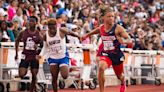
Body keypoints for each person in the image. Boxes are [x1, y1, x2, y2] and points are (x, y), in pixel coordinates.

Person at [82, 7, 132, 92]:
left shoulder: (118, 28)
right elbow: (96, 31)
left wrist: (123, 41)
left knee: (119, 76)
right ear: (103, 18)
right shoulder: (102, 28)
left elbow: (129, 40)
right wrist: (86, 35)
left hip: (116, 55)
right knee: (101, 67)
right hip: (106, 54)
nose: (111, 18)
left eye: (112, 16)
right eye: (109, 16)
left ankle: (123, 81)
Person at [38, 18, 81, 92]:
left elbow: (70, 32)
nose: (52, 30)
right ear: (48, 27)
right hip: (52, 57)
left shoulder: (61, 30)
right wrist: (40, 55)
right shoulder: (46, 35)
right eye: (50, 28)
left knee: (65, 75)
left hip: (63, 56)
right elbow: (45, 47)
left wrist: (78, 36)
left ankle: (61, 79)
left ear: (56, 26)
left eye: (53, 28)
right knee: (54, 77)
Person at [15, 16, 43, 92]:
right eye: (29, 21)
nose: (30, 22)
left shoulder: (38, 34)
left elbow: (43, 45)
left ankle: (32, 89)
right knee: (21, 74)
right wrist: (16, 53)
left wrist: (38, 48)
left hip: (34, 56)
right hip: (25, 55)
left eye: (32, 21)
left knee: (34, 74)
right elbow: (17, 41)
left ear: (36, 23)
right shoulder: (23, 32)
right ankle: (27, 68)